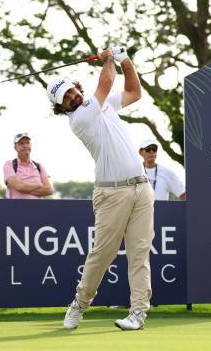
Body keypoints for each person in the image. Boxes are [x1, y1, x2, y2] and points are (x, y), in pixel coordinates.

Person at [47, 46, 154, 331]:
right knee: (102, 255)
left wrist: (125, 60)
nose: (72, 96)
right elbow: (106, 82)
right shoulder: (79, 119)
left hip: (141, 189)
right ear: (61, 107)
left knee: (139, 254)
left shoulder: (103, 104)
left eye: (71, 91)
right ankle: (79, 305)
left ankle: (138, 314)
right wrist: (108, 57)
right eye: (65, 98)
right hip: (111, 194)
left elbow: (134, 92)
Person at [3, 133, 54, 199]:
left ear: (31, 145)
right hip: (16, 208)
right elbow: (18, 186)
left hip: (37, 208)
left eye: (27, 143)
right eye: (21, 143)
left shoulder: (39, 166)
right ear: (15, 147)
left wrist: (23, 190)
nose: (25, 146)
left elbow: (49, 190)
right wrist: (39, 185)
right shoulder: (9, 164)